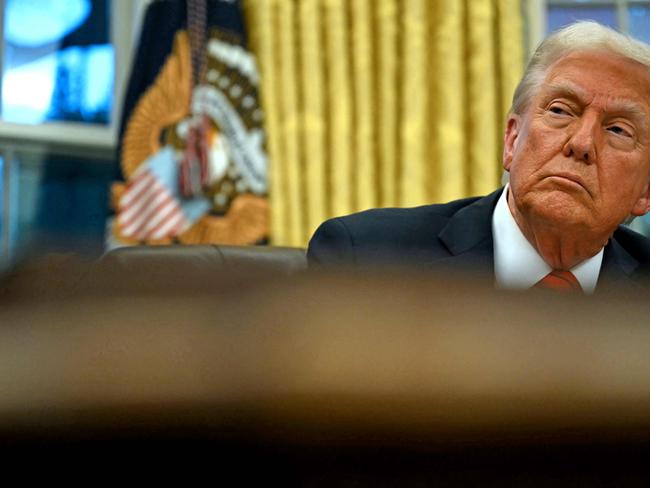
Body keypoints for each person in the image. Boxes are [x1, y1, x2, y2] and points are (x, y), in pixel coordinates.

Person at [307, 21, 650, 293]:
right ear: (512, 140)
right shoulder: (366, 260)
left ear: (645, 191)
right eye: (560, 110)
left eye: (619, 130)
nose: (581, 143)